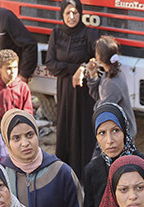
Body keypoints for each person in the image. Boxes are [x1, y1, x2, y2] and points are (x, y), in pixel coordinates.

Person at [0, 109, 81, 207]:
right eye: (16, 138)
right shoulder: (0, 177)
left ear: (37, 134)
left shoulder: (61, 172)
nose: (25, 143)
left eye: (30, 135)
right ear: (6, 142)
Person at [45, 0, 98, 182]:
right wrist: (74, 68)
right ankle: (65, 173)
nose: (71, 17)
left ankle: (85, 173)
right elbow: (50, 64)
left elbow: (96, 59)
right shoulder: (56, 33)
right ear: (62, 14)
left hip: (84, 92)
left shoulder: (90, 33)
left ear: (81, 13)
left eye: (75, 12)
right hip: (65, 89)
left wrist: (82, 68)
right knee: (66, 125)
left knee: (83, 127)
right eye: (68, 13)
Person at [81, 35, 137, 139]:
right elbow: (99, 96)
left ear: (99, 57)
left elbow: (103, 109)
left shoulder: (112, 82)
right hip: (116, 131)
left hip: (121, 135)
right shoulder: (109, 74)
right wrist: (93, 75)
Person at [0, 49, 33, 122]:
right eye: (9, 68)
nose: (13, 71)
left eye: (15, 67)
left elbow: (28, 112)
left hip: (17, 127)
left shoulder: (23, 87)